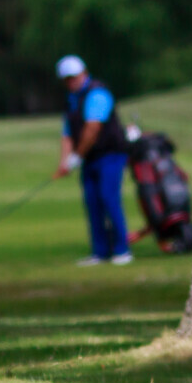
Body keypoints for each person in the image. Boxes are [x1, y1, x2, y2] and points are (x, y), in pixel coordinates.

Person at [52, 55, 133, 266]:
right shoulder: (71, 99)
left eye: (74, 77)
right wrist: (65, 162)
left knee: (109, 198)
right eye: (67, 79)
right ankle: (100, 252)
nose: (71, 82)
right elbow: (67, 133)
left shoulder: (97, 93)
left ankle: (122, 250)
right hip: (90, 158)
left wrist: (77, 157)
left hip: (110, 154)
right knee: (93, 203)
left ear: (83, 73)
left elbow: (92, 129)